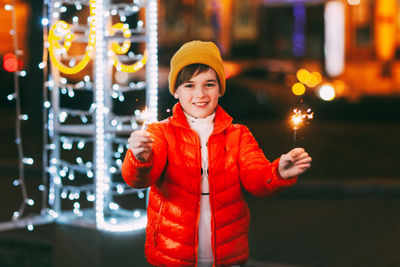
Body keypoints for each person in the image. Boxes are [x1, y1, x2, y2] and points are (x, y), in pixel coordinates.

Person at [122, 40, 312, 267]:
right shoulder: (160, 133)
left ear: (220, 88)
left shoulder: (238, 135)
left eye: (209, 84)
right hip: (172, 254)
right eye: (189, 85)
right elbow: (139, 179)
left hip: (227, 254)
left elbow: (256, 177)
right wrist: (140, 159)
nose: (200, 94)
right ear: (175, 91)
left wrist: (279, 171)